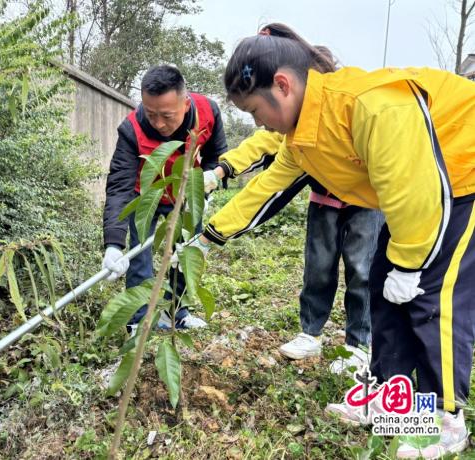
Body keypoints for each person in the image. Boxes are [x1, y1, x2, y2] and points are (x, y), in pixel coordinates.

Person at [188, 23, 474, 458]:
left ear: (282, 85)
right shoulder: (301, 137)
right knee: (383, 285)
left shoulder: (368, 106)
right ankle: (393, 401)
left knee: (433, 297)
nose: (257, 123)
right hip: (417, 192)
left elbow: (414, 186)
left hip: (460, 176)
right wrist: (207, 238)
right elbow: (265, 190)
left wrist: (412, 262)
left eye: (255, 111)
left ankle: (446, 418)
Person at [205, 125, 383, 374]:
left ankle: (359, 344)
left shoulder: (352, 109)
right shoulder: (296, 123)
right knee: (318, 267)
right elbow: (266, 142)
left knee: (362, 270)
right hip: (325, 198)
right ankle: (311, 334)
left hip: (368, 198)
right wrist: (220, 171)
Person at [102, 64, 228, 335]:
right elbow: (119, 185)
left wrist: (205, 189)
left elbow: (217, 157)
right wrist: (113, 243)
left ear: (185, 102)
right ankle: (138, 320)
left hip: (186, 197)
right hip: (144, 198)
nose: (159, 123)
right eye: (151, 114)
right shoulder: (131, 129)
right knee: (140, 258)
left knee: (186, 254)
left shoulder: (208, 112)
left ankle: (176, 314)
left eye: (167, 115)